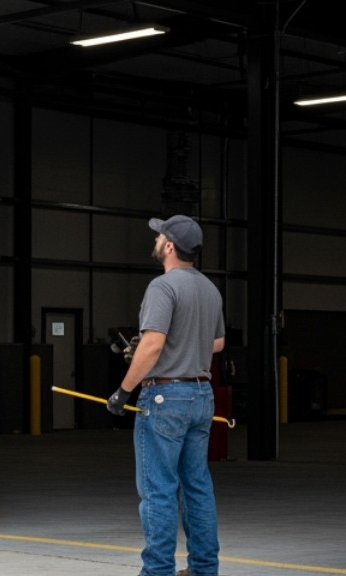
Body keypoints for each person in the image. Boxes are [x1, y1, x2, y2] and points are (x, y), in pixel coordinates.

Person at [107, 215, 227, 576]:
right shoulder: (210, 289)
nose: (157, 240)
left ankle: (157, 571)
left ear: (170, 246)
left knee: (158, 490)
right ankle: (204, 569)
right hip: (202, 395)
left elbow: (153, 345)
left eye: (160, 236)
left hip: (164, 398)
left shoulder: (163, 287)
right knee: (197, 486)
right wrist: (184, 345)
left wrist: (122, 391)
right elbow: (217, 342)